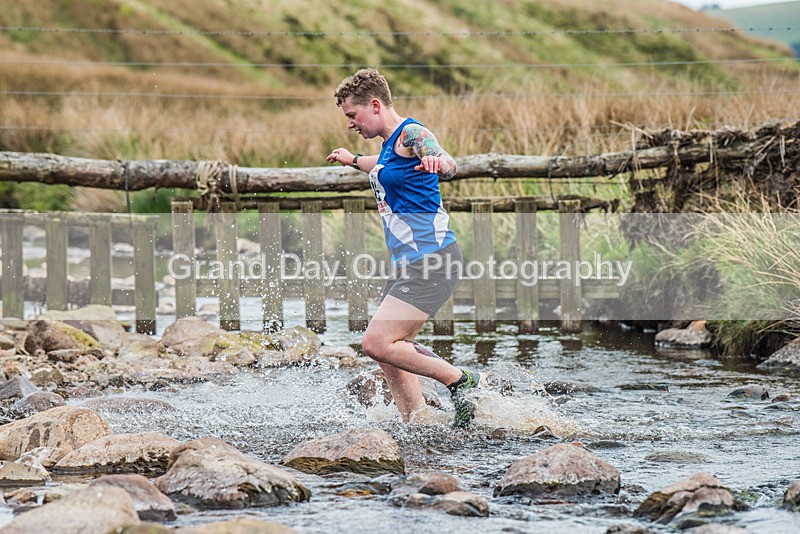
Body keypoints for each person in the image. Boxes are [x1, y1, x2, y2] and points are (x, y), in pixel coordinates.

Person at [326, 68, 480, 428]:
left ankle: (459, 380)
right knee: (391, 353)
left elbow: (446, 160)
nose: (351, 123)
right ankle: (417, 424)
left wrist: (437, 162)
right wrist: (351, 159)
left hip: (433, 259)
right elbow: (378, 168)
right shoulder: (386, 149)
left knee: (375, 343)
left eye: (353, 115)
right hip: (409, 264)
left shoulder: (411, 134)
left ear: (375, 105)